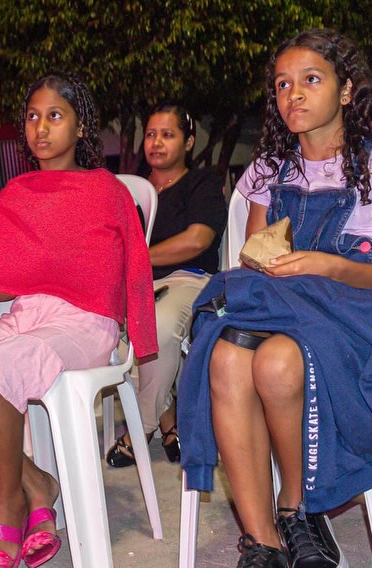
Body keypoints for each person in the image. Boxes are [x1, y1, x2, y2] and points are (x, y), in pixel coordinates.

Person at [177, 29, 372, 568]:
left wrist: (331, 265)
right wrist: (276, 265)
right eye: (282, 84)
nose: (293, 94)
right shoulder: (269, 171)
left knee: (275, 363)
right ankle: (262, 540)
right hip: (286, 306)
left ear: (346, 90)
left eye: (311, 80)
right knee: (226, 356)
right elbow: (257, 260)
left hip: (371, 313)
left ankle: (296, 508)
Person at [0, 74, 157, 568]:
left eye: (55, 116)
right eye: (32, 117)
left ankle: (9, 504)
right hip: (27, 317)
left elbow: (131, 269)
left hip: (85, 321)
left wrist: (140, 340)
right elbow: (3, 287)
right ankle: (36, 482)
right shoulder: (15, 194)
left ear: (80, 126)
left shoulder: (106, 190)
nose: (41, 128)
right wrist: (32, 267)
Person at [106, 103, 226, 468]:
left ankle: (140, 428)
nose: (156, 143)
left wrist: (136, 258)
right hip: (134, 282)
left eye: (168, 135)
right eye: (151, 135)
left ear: (188, 142)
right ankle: (168, 418)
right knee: (103, 329)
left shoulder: (201, 183)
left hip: (187, 278)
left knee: (155, 328)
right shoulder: (131, 192)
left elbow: (197, 239)